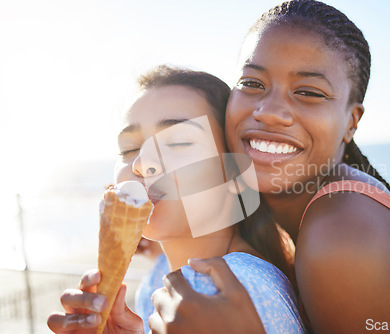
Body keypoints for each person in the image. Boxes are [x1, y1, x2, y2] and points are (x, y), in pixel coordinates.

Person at [149, 1, 390, 333]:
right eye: (252, 83)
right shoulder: (274, 209)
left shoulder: (344, 234)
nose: (269, 111)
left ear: (351, 121)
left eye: (309, 92)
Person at [47, 65, 306, 334]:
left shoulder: (235, 289)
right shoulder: (160, 275)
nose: (142, 162)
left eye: (178, 143)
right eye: (130, 148)